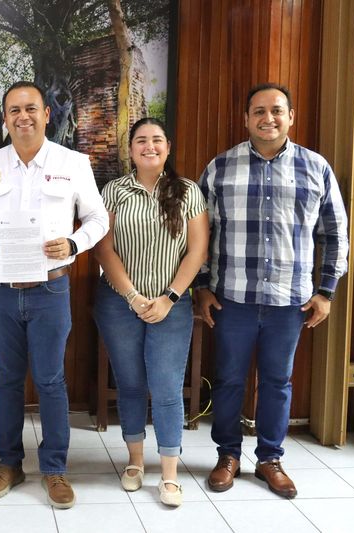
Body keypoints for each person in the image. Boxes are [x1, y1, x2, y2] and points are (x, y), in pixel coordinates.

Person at [196, 83, 349, 498]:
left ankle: (269, 459)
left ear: (291, 117)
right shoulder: (220, 168)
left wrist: (326, 291)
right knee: (228, 380)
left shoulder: (315, 168)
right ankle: (227, 455)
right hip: (233, 299)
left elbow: (336, 234)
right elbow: (199, 235)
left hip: (289, 302)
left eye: (277, 111)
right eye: (259, 111)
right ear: (246, 118)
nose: (268, 119)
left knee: (278, 382)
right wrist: (201, 287)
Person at [0, 81, 109, 509]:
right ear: (4, 118)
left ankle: (55, 469)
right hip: (1, 289)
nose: (22, 117)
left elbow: (98, 218)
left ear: (47, 114)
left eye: (31, 109)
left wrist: (74, 244)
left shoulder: (72, 162)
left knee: (50, 380)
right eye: (14, 110)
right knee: (7, 379)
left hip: (51, 287)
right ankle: (8, 463)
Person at [92, 117, 208, 507]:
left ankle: (170, 474)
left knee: (166, 387)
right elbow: (102, 248)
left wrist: (169, 297)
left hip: (171, 305)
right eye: (140, 140)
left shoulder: (188, 191)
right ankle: (135, 462)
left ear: (168, 147)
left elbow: (197, 250)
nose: (149, 146)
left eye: (157, 140)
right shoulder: (113, 191)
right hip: (119, 302)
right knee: (130, 384)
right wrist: (132, 296)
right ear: (130, 150)